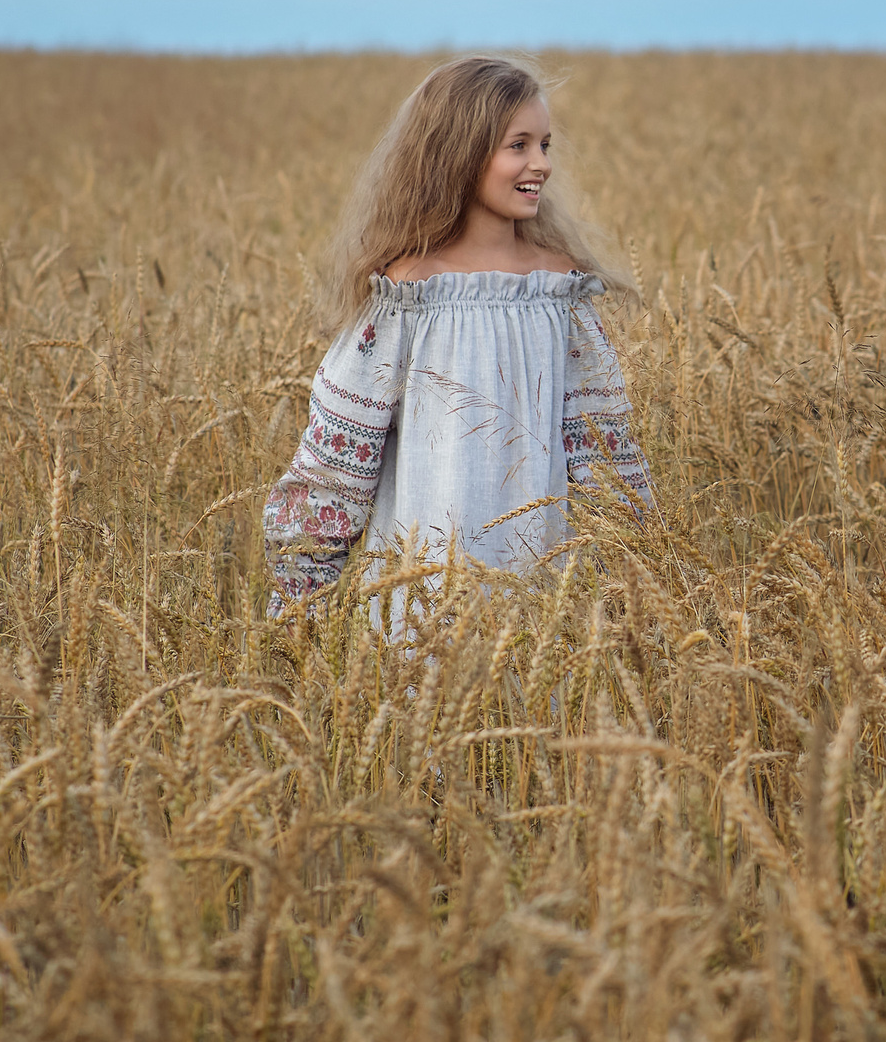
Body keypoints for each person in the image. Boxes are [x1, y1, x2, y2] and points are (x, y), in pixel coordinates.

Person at [263, 54, 653, 619]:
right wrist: (298, 601)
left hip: (544, 603)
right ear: (460, 152)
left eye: (545, 145)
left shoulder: (558, 290)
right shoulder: (409, 296)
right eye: (518, 145)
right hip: (423, 599)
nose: (540, 163)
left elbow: (603, 448)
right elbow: (337, 465)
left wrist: (638, 582)